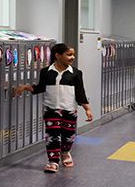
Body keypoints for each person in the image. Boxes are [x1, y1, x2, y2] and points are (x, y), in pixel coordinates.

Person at [14, 43, 93, 173]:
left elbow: (80, 93)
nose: (72, 57)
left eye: (73, 55)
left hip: (69, 109)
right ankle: (53, 161)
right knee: (52, 136)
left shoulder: (76, 73)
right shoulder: (46, 72)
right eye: (69, 54)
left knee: (69, 136)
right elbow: (40, 88)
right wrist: (25, 87)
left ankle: (65, 152)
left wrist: (87, 109)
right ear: (58, 55)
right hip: (51, 109)